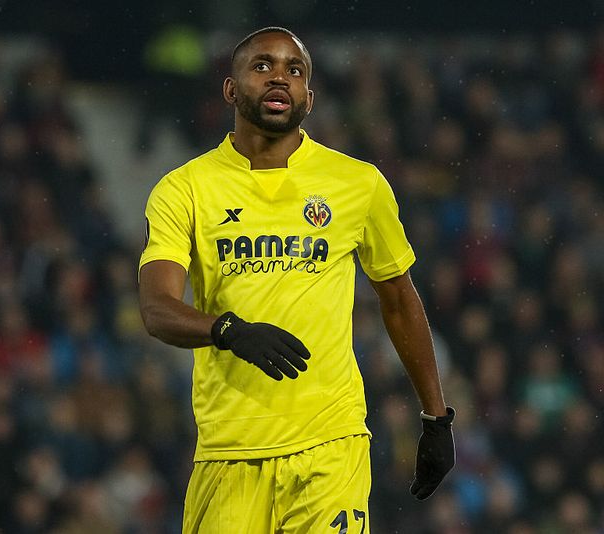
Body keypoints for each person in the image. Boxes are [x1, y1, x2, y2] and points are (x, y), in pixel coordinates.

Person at [138, 26, 455, 533]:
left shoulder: (358, 183)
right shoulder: (185, 189)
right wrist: (228, 331)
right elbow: (156, 309)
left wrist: (436, 419)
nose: (279, 78)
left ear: (310, 96)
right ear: (230, 89)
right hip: (230, 449)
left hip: (331, 445)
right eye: (262, 66)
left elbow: (399, 299)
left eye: (295, 70)